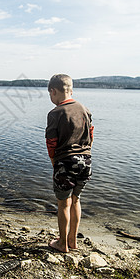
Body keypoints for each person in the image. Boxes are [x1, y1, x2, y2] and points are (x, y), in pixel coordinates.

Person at [45, 74, 94, 253]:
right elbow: (91, 135)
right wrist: (85, 155)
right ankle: (73, 240)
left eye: (50, 95)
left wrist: (54, 163)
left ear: (54, 91)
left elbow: (51, 143)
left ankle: (62, 243)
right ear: (70, 90)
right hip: (86, 161)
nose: (51, 98)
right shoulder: (84, 109)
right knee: (76, 199)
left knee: (63, 203)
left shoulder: (55, 113)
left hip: (65, 162)